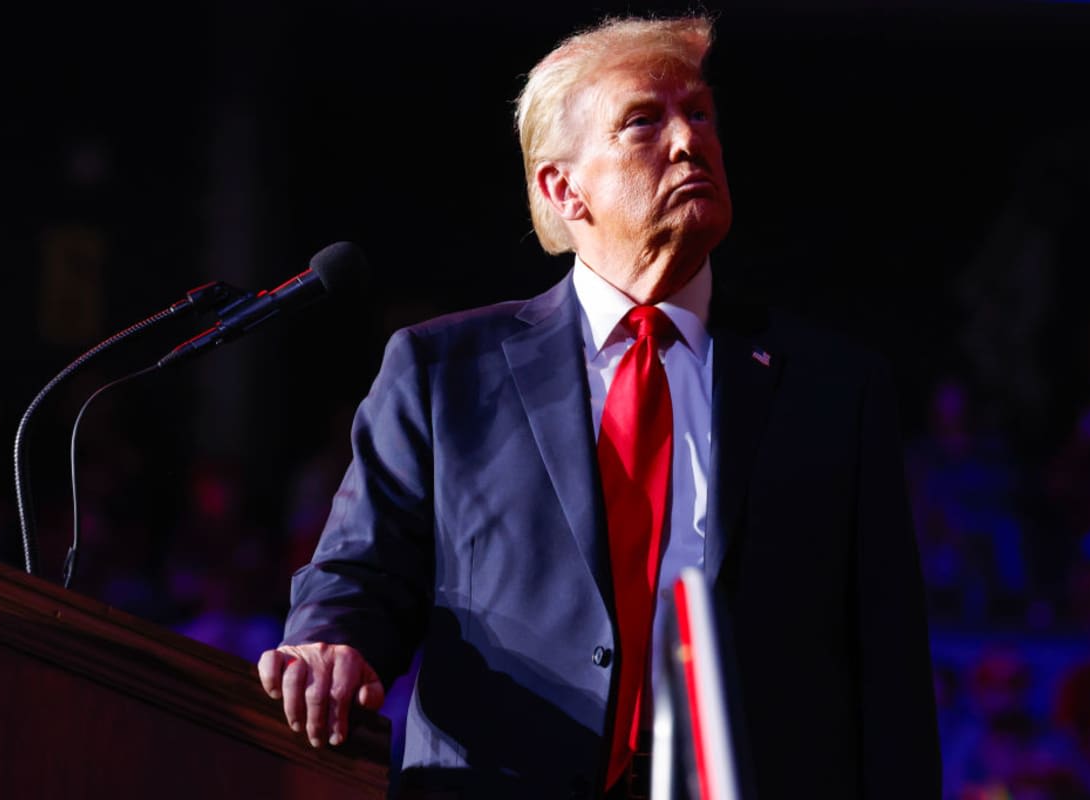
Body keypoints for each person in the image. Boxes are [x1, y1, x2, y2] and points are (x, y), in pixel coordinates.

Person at [258, 14, 940, 799]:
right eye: (644, 121)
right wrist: (329, 641)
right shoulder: (445, 371)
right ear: (562, 187)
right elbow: (361, 574)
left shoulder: (833, 387)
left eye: (701, 113)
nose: (690, 141)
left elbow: (888, 666)